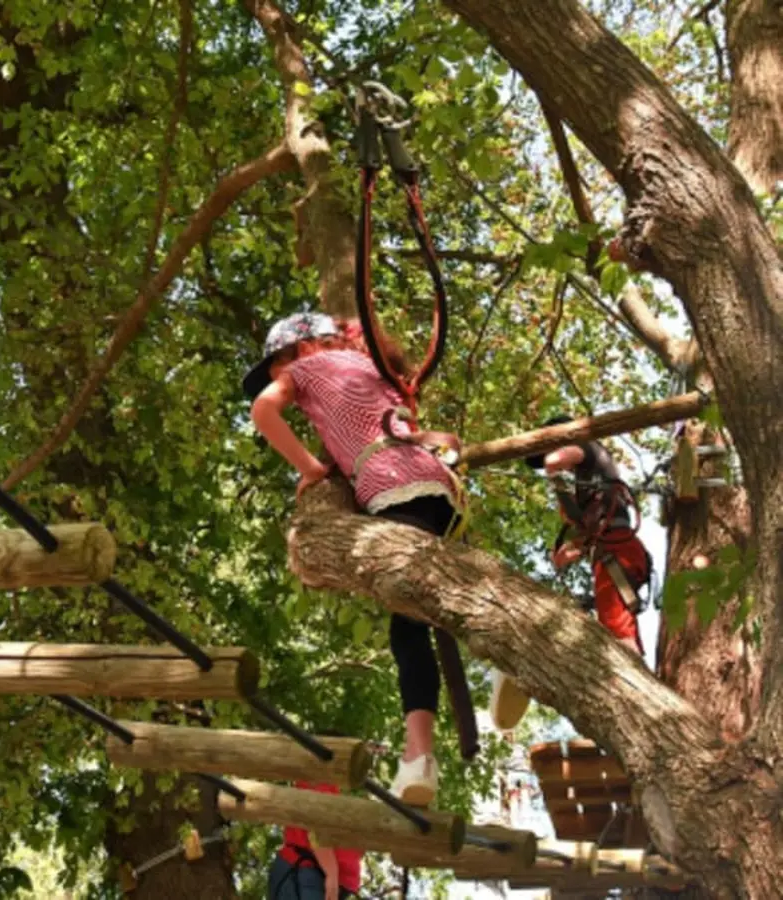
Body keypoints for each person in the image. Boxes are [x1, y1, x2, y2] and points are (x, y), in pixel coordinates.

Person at [244, 312, 466, 805]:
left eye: (277, 362)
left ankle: (420, 755)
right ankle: (423, 755)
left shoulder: (306, 370)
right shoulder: (372, 369)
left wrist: (310, 468)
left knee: (409, 626)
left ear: (302, 349)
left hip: (394, 486)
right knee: (423, 610)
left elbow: (263, 410)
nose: (277, 374)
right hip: (441, 491)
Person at [489, 417, 652, 730]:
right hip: (613, 550)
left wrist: (554, 471)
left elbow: (555, 460)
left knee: (619, 632)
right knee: (615, 627)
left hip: (618, 550)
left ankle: (638, 698)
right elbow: (593, 525)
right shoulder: (590, 479)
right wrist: (571, 549)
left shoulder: (587, 447)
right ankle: (634, 691)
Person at [267, 781, 363, 900]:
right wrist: (331, 873)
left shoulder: (330, 788)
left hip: (313, 875)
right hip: (307, 871)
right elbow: (316, 827)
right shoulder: (319, 780)